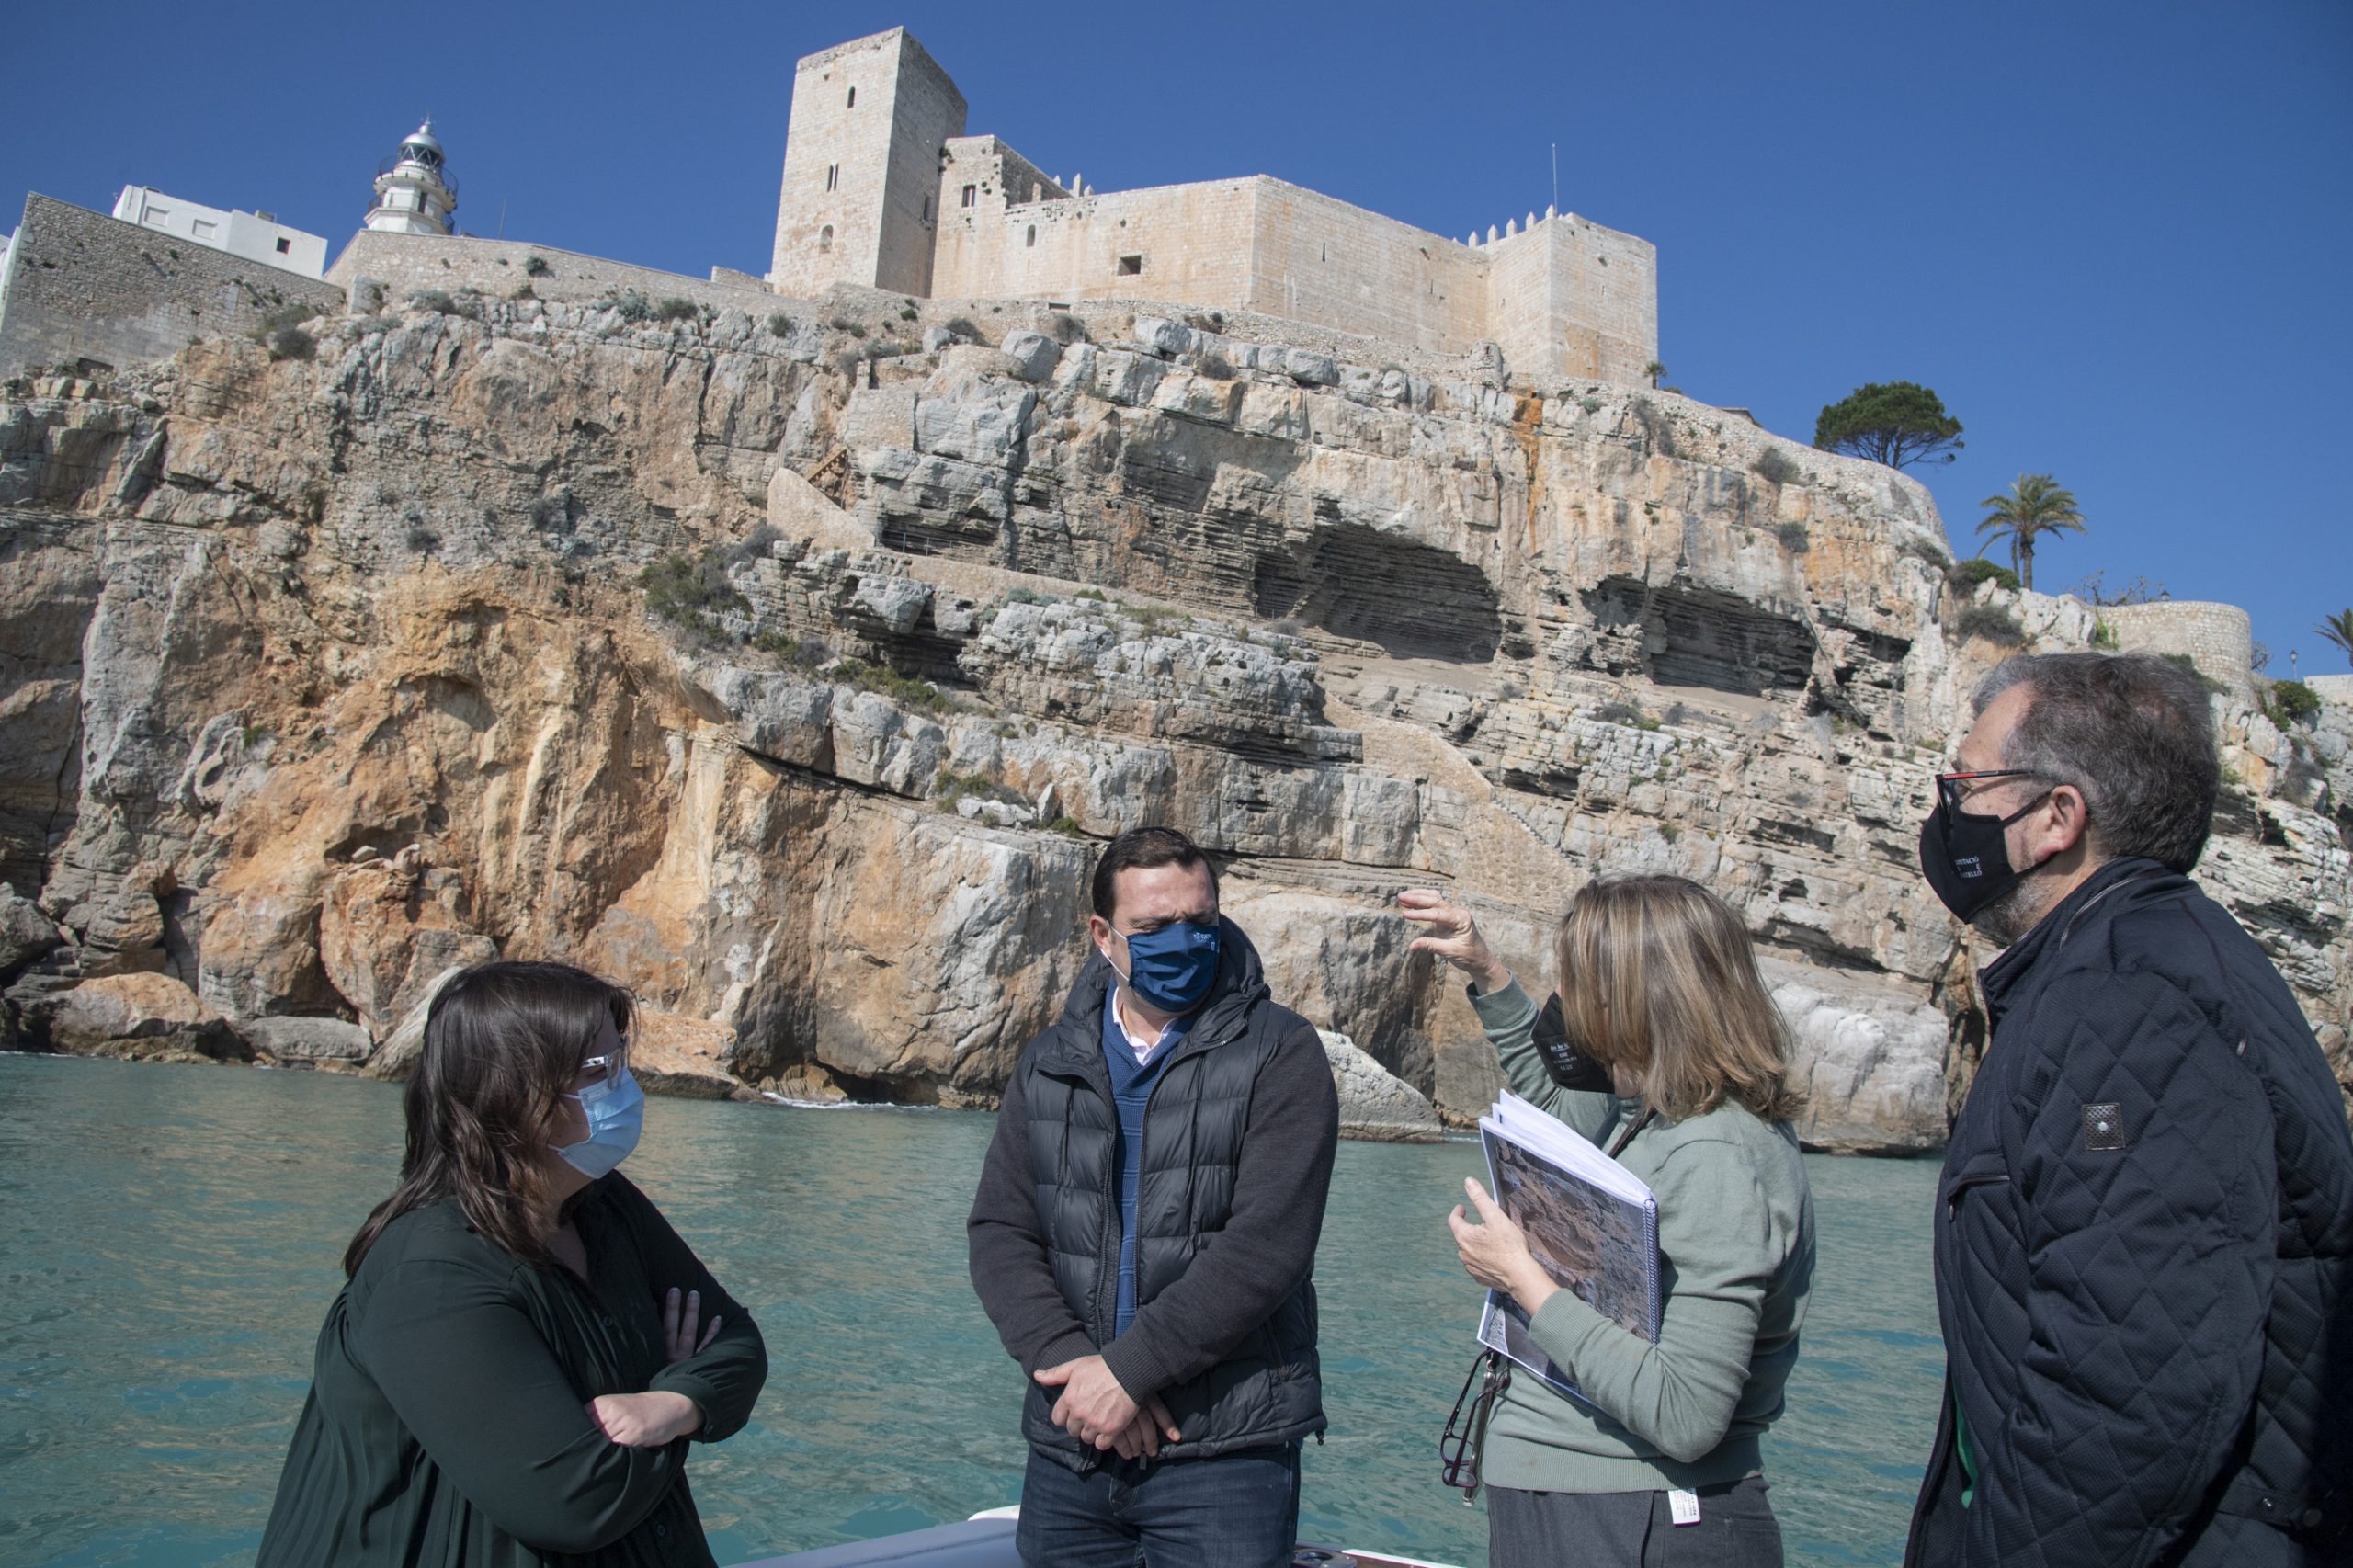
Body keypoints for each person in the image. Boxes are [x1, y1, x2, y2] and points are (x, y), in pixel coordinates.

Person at [1902, 653, 2353, 1567]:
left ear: (2055, 818)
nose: (1943, 812)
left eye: (1963, 783)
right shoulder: (2134, 963)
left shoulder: (2131, 997)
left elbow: (2132, 1386)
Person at [257, 961, 767, 1567]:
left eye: (621, 1061)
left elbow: (736, 1343)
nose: (627, 1088)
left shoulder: (602, 1202)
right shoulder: (429, 1277)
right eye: (600, 1072)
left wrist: (673, 1406)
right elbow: (576, 1499)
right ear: (516, 1092)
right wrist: (683, 1389)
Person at [1404, 874, 1815, 1568]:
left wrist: (1526, 1282)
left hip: (1638, 1518)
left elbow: (1686, 1413)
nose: (1562, 1002)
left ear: (1635, 999)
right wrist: (1486, 972)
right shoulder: (1650, 1114)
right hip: (1595, 1508)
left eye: (1574, 984)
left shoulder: (1714, 1152)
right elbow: (1556, 1108)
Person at [967, 825, 1340, 1567]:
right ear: (1103, 934)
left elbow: (1267, 1248)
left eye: (1200, 923)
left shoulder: (1281, 1052)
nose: (1185, 941)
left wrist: (1129, 1373)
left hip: (1223, 1458)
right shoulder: (1048, 1063)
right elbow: (1001, 1230)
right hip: (1072, 1447)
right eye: (1155, 927)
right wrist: (1074, 1366)